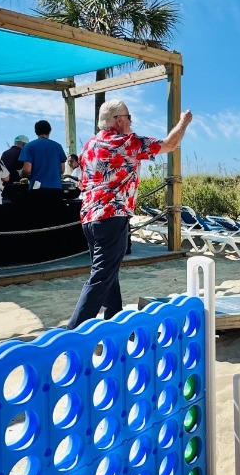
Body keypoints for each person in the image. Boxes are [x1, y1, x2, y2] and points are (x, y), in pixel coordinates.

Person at [66, 100, 193, 329]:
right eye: (129, 116)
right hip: (111, 217)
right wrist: (184, 122)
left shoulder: (90, 145)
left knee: (108, 272)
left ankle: (116, 322)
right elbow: (170, 144)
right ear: (119, 120)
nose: (131, 121)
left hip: (88, 218)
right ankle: (74, 333)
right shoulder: (127, 142)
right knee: (101, 276)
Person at [19, 120, 67, 189]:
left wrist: (21, 173)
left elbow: (27, 170)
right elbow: (62, 170)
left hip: (37, 188)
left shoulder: (29, 146)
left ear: (36, 132)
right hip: (56, 188)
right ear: (50, 131)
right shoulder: (58, 146)